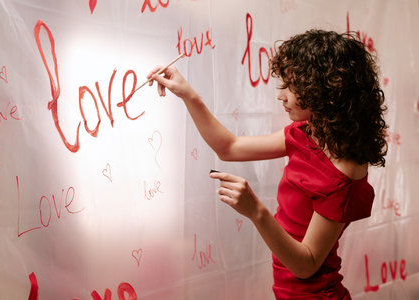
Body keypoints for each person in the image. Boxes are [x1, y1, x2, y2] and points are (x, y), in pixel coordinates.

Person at [147, 29, 387, 299]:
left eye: (291, 87)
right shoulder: (305, 133)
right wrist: (188, 94)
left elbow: (305, 265)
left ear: (326, 90)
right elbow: (229, 148)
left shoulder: (343, 171)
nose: (280, 95)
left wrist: (256, 211)